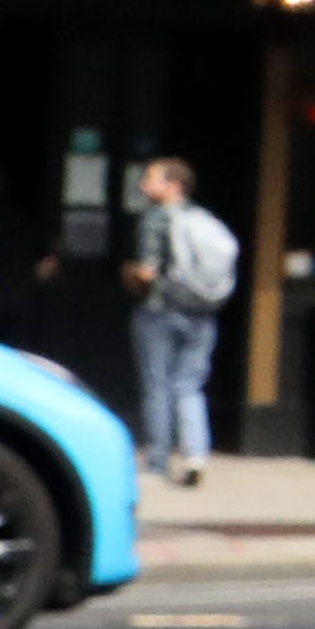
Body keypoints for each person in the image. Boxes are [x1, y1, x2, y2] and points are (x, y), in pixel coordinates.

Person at [126, 156, 234, 486]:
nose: (144, 184)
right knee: (190, 386)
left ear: (173, 185)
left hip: (160, 311)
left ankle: (158, 459)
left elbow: (147, 271)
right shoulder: (203, 219)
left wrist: (130, 276)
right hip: (202, 312)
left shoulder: (155, 219)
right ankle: (195, 455)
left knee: (157, 383)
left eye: (151, 179)